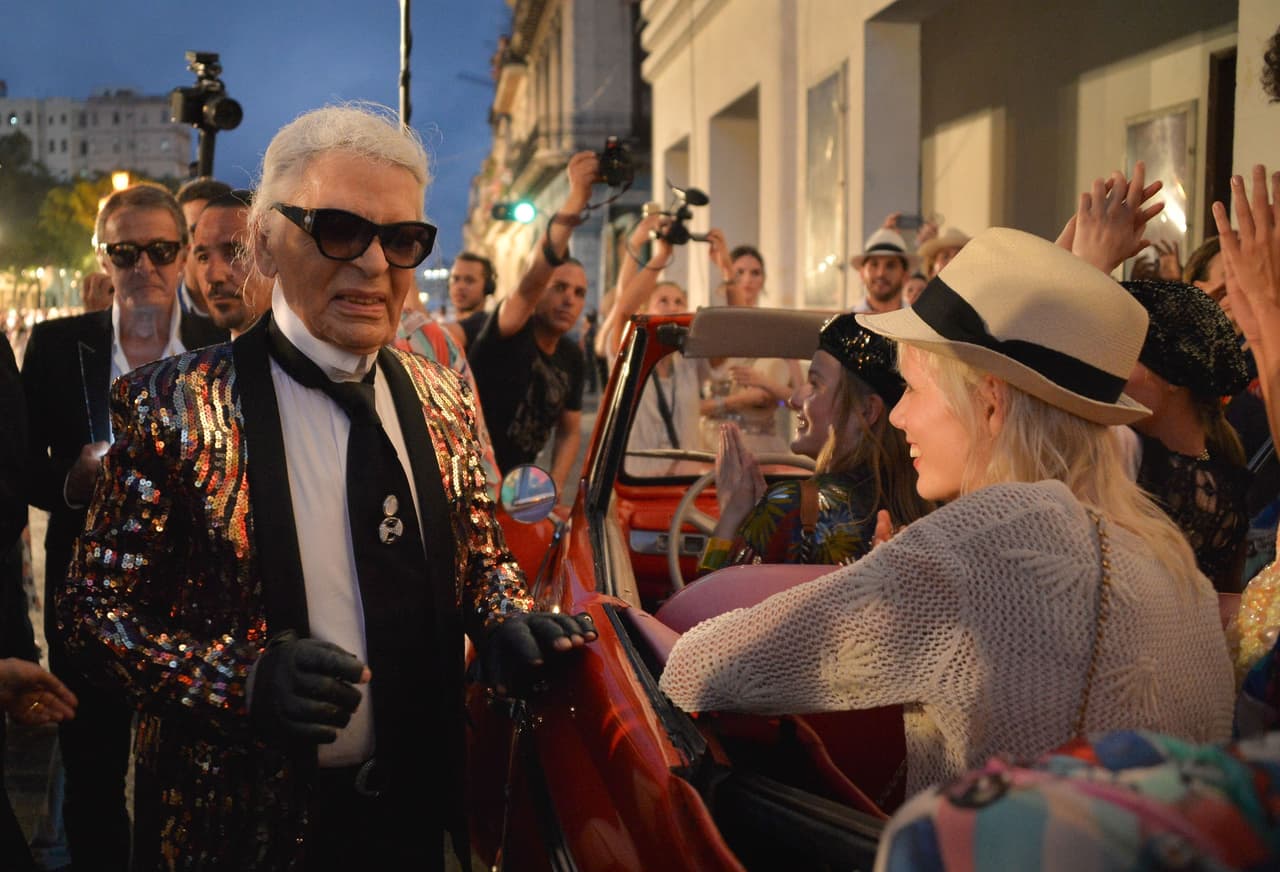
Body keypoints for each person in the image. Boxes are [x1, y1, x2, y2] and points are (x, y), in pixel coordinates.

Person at [57, 104, 593, 871]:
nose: (373, 264)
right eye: (339, 229)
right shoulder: (172, 405)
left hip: (416, 822)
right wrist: (239, 680)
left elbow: (478, 555)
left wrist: (505, 618)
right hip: (239, 835)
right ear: (267, 242)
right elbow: (90, 615)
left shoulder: (443, 396)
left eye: (402, 239)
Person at [660, 226, 1235, 799]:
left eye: (912, 388)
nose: (901, 416)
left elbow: (702, 669)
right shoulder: (1173, 564)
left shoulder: (969, 547)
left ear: (989, 401)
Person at [22, 181, 228, 870]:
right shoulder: (57, 347)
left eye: (161, 251)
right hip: (87, 600)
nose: (144, 267)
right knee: (92, 780)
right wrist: (73, 483)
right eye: (126, 251)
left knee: (189, 781)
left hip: (193, 603)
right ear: (104, 259)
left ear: (184, 255)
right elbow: (19, 471)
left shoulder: (220, 348)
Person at [699, 314, 931, 571]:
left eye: (814, 384)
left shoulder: (791, 506)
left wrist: (732, 515)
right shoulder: (923, 505)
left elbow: (709, 605)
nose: (794, 399)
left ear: (866, 411)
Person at [468, 152, 595, 495]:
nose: (569, 299)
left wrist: (551, 489)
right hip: (472, 483)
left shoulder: (572, 356)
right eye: (559, 287)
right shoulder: (509, 330)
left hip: (520, 491)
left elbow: (570, 431)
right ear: (540, 293)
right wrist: (576, 199)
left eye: (579, 292)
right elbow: (532, 279)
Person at [1119, 279, 1252, 592]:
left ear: (1173, 378)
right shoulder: (1216, 468)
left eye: (1128, 354)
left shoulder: (1177, 476)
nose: (1113, 370)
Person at [701, 232, 795, 454]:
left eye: (755, 273)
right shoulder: (713, 328)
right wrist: (734, 401)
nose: (747, 279)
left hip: (763, 443)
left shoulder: (777, 329)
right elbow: (691, 398)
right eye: (739, 272)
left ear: (763, 279)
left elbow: (798, 398)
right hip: (712, 440)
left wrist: (767, 388)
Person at [191, 187, 273, 337]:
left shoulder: (319, 357)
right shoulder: (197, 356)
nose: (213, 276)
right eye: (203, 257)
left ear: (276, 256)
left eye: (235, 253)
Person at [174, 177, 233, 348]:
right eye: (196, 230)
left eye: (219, 231)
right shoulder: (161, 316)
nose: (205, 242)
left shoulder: (260, 313)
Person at [850, 227, 920, 314]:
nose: (881, 273)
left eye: (890, 266)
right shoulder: (844, 324)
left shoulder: (917, 323)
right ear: (862, 274)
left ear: (905, 275)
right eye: (874, 265)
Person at [441, 251, 495, 350]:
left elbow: (433, 339)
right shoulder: (450, 322)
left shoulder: (485, 323)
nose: (460, 286)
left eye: (469, 280)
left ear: (487, 287)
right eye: (455, 279)